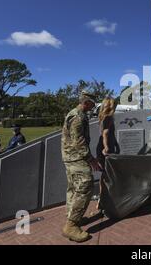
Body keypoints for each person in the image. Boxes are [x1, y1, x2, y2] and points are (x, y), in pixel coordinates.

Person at [61, 91, 101, 242]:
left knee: (73, 188)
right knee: (85, 186)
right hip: (76, 157)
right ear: (86, 102)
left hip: (72, 157)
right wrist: (91, 159)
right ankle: (71, 226)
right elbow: (79, 141)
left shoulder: (78, 113)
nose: (93, 106)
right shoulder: (78, 116)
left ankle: (72, 217)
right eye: (92, 103)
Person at [95, 97, 119, 211]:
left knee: (106, 174)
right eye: (115, 105)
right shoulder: (108, 117)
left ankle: (103, 198)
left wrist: (116, 144)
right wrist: (107, 148)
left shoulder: (105, 117)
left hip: (108, 145)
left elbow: (110, 134)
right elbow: (105, 133)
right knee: (106, 174)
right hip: (105, 148)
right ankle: (103, 199)